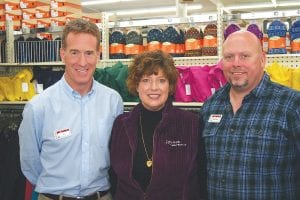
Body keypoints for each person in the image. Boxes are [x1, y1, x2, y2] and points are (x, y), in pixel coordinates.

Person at [18, 19, 123, 200]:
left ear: (98, 55)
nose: (82, 62)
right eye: (74, 52)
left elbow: (117, 155)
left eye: (89, 53)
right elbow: (30, 164)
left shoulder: (113, 101)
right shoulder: (38, 107)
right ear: (62, 54)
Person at [200, 30, 300, 200]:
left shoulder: (291, 104)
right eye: (229, 57)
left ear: (262, 59)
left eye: (245, 56)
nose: (236, 63)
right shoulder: (210, 105)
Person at [109, 50, 207, 200]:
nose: (153, 87)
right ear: (136, 85)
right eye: (146, 80)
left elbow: (201, 179)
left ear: (170, 85)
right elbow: (114, 177)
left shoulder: (191, 124)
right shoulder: (121, 124)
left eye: (161, 80)